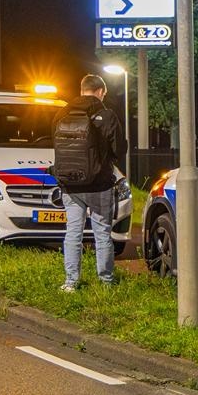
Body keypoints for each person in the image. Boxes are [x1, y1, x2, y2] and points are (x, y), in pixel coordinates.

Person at [53, 74, 126, 291]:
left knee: (72, 232)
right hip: (99, 184)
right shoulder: (107, 115)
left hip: (70, 185)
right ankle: (106, 282)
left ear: (82, 89)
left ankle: (70, 282)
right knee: (102, 232)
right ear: (101, 91)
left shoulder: (61, 113)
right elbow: (119, 150)